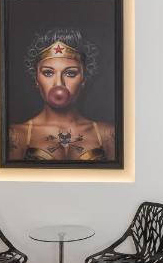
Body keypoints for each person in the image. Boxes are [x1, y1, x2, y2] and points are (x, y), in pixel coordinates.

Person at [7, 28, 115, 162]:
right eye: (48, 73)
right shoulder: (16, 135)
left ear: (84, 79)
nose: (59, 83)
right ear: (36, 79)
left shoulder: (107, 134)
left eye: (70, 73)